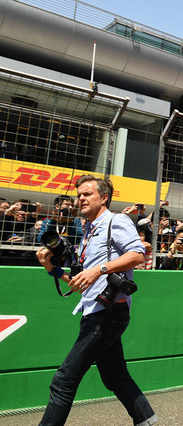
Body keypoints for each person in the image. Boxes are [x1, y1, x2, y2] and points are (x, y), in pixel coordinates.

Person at [34, 174, 157, 426]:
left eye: (87, 194)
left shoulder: (117, 220)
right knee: (115, 377)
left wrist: (99, 269)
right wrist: (52, 269)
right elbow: (81, 283)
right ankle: (147, 420)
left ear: (104, 197)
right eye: (79, 195)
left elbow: (137, 254)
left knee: (64, 379)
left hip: (108, 313)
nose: (81, 198)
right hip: (94, 309)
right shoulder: (88, 232)